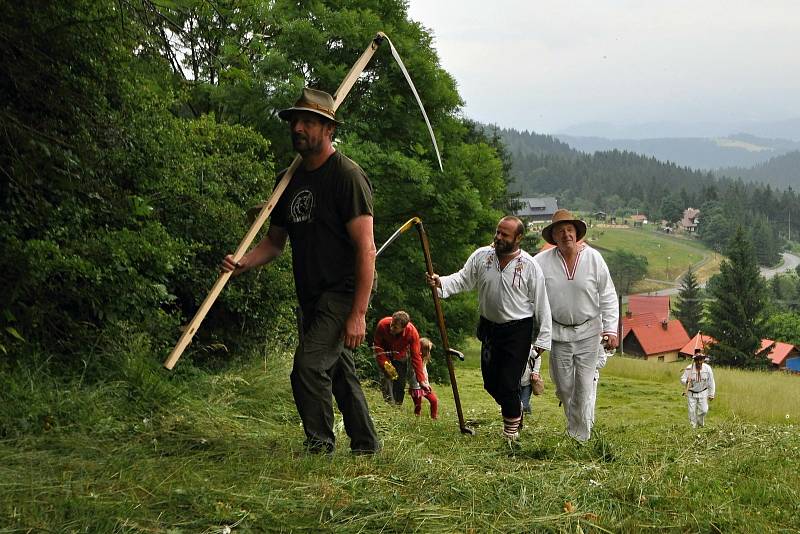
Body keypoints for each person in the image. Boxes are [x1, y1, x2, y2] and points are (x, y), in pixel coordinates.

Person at [221, 87, 380, 455]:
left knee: (308, 366)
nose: (299, 128)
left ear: (328, 129)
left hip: (343, 289)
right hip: (310, 292)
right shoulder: (287, 180)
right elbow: (274, 243)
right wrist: (242, 263)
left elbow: (366, 249)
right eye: (296, 121)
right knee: (338, 370)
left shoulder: (347, 177)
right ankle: (366, 445)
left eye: (309, 122)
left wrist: (357, 313)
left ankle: (319, 446)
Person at [427, 215, 552, 441]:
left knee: (508, 382)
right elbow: (463, 279)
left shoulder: (530, 266)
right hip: (489, 329)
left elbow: (542, 303)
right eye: (497, 232)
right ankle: (516, 410)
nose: (498, 237)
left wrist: (543, 340)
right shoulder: (482, 256)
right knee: (490, 383)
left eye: (505, 234)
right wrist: (440, 282)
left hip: (518, 332)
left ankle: (510, 434)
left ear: (519, 238)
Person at [533, 209, 619, 442]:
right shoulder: (540, 263)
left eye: (569, 230)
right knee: (564, 387)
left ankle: (579, 436)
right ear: (553, 237)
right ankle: (578, 425)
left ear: (577, 233)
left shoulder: (594, 258)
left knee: (583, 385)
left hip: (589, 332)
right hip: (558, 334)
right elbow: (526, 287)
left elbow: (608, 295)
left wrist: (611, 329)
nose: (566, 234)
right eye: (560, 231)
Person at [372, 311, 429, 406]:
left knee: (400, 382)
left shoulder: (412, 332)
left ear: (404, 328)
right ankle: (389, 405)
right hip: (384, 354)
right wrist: (386, 365)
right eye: (391, 324)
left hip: (400, 356)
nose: (391, 328)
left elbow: (416, 356)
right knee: (387, 379)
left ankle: (398, 406)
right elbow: (377, 346)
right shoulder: (382, 324)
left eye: (395, 327)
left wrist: (421, 380)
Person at [680, 349, 716, 428]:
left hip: (703, 393)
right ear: (695, 360)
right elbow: (682, 379)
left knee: (703, 411)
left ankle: (700, 425)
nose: (699, 362)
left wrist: (711, 394)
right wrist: (686, 380)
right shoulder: (689, 368)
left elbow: (711, 381)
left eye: (701, 360)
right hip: (691, 394)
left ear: (703, 360)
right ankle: (692, 427)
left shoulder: (707, 369)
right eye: (697, 360)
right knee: (692, 412)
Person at [408, 337, 439, 419]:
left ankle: (434, 417)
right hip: (416, 387)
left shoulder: (424, 359)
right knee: (418, 406)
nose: (429, 353)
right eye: (428, 350)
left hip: (425, 385)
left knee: (434, 400)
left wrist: (426, 383)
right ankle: (416, 419)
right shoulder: (414, 360)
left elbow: (424, 373)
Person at [520, 347, 543, 415]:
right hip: (514, 383)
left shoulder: (528, 347)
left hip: (527, 382)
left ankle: (527, 412)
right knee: (517, 404)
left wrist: (535, 372)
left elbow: (538, 357)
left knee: (524, 404)